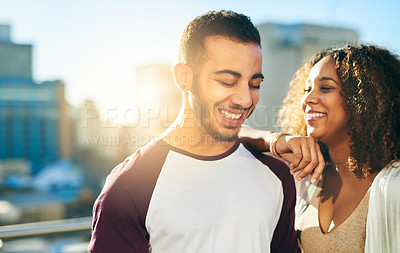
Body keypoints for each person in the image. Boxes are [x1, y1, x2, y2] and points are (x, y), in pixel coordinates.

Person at [88, 10, 300, 252]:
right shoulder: (129, 188)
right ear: (184, 78)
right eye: (227, 81)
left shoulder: (277, 176)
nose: (244, 99)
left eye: (254, 84)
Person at [246, 44, 400, 252]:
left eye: (325, 88)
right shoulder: (306, 177)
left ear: (363, 100)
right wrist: (274, 140)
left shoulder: (393, 185)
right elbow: (228, 135)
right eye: (307, 89)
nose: (307, 99)